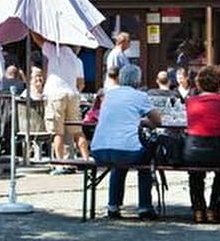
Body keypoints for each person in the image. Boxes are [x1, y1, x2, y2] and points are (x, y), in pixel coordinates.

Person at [90, 62, 164, 220]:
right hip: (126, 151)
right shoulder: (140, 96)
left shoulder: (108, 94)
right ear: (138, 81)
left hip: (98, 150)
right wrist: (145, 122)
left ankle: (113, 206)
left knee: (119, 164)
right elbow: (157, 121)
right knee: (144, 162)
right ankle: (145, 207)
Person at [30, 31, 90, 172]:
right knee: (77, 131)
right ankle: (86, 160)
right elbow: (81, 84)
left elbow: (38, 39)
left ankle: (60, 163)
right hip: (72, 94)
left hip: (55, 94)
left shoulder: (53, 51)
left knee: (58, 132)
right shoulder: (76, 59)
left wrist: (31, 26)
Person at [184, 64, 220, 223]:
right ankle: (215, 209)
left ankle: (198, 209)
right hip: (215, 148)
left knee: (195, 173)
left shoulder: (190, 101)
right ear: (219, 84)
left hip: (192, 148)